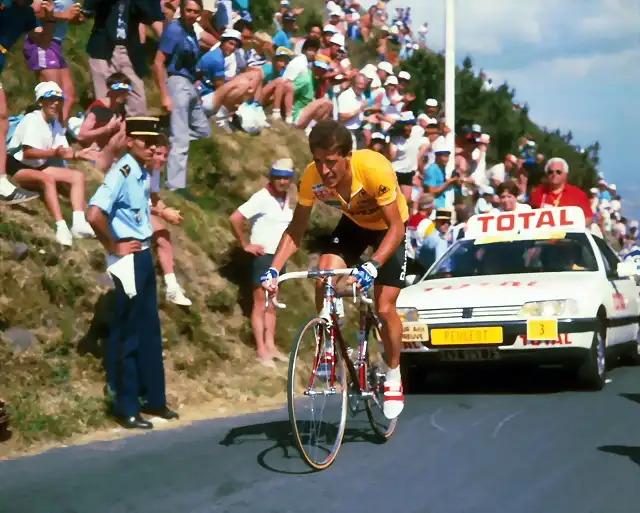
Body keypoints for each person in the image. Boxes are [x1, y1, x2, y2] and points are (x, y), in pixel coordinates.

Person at [261, 120, 409, 420]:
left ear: (347, 157)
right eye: (318, 161)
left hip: (388, 230)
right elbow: (296, 228)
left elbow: (396, 227)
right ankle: (327, 345)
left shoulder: (373, 169)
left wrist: (373, 264)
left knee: (384, 307)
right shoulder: (311, 178)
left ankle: (393, 373)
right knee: (323, 275)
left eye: (331, 162)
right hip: (354, 226)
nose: (325, 170)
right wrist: (274, 269)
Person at [86, 116, 177, 430]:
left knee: (149, 327)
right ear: (129, 142)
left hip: (143, 252)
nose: (152, 147)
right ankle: (126, 407)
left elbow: (141, 208)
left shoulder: (141, 171)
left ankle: (154, 399)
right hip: (128, 257)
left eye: (155, 141)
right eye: (145, 141)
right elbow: (94, 213)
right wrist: (113, 246)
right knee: (128, 333)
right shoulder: (122, 171)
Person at [7, 81, 98, 246]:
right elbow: (28, 152)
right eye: (51, 99)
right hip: (18, 165)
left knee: (77, 176)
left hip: (38, 165)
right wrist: (54, 153)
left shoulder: (54, 123)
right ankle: (60, 226)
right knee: (47, 180)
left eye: (59, 99)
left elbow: (62, 150)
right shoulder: (32, 119)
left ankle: (78, 223)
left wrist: (78, 154)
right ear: (40, 101)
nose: (56, 103)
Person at [229, 159, 295, 367]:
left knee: (272, 302)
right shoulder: (262, 197)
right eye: (278, 177)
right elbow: (235, 218)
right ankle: (261, 349)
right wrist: (245, 244)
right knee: (260, 303)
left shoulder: (287, 199)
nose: (282, 182)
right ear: (271, 177)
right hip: (264, 257)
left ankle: (271, 345)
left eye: (286, 178)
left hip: (279, 257)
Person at [0, 0, 56, 205]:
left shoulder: (27, 14)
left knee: (2, 119)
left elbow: (42, 42)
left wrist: (49, 18)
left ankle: (1, 182)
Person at [153, 0, 210, 191]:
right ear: (182, 10)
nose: (192, 14)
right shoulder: (174, 30)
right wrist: (164, 95)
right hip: (176, 83)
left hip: (189, 85)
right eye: (189, 10)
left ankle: (166, 134)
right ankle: (175, 186)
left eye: (196, 12)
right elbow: (158, 62)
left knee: (203, 132)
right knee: (181, 140)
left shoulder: (192, 31)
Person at [147, 135, 192, 306]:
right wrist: (162, 212)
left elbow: (153, 197)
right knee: (162, 237)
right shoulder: (138, 170)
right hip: (128, 212)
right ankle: (171, 288)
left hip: (141, 210)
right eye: (158, 154)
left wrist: (166, 210)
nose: (162, 159)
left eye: (165, 155)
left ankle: (172, 287)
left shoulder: (155, 170)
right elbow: (133, 203)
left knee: (163, 236)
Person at [528, 157, 593, 220]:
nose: (554, 174)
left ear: (565, 174)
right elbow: (529, 215)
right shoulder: (537, 191)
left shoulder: (578, 195)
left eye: (558, 172)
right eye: (550, 172)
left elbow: (587, 218)